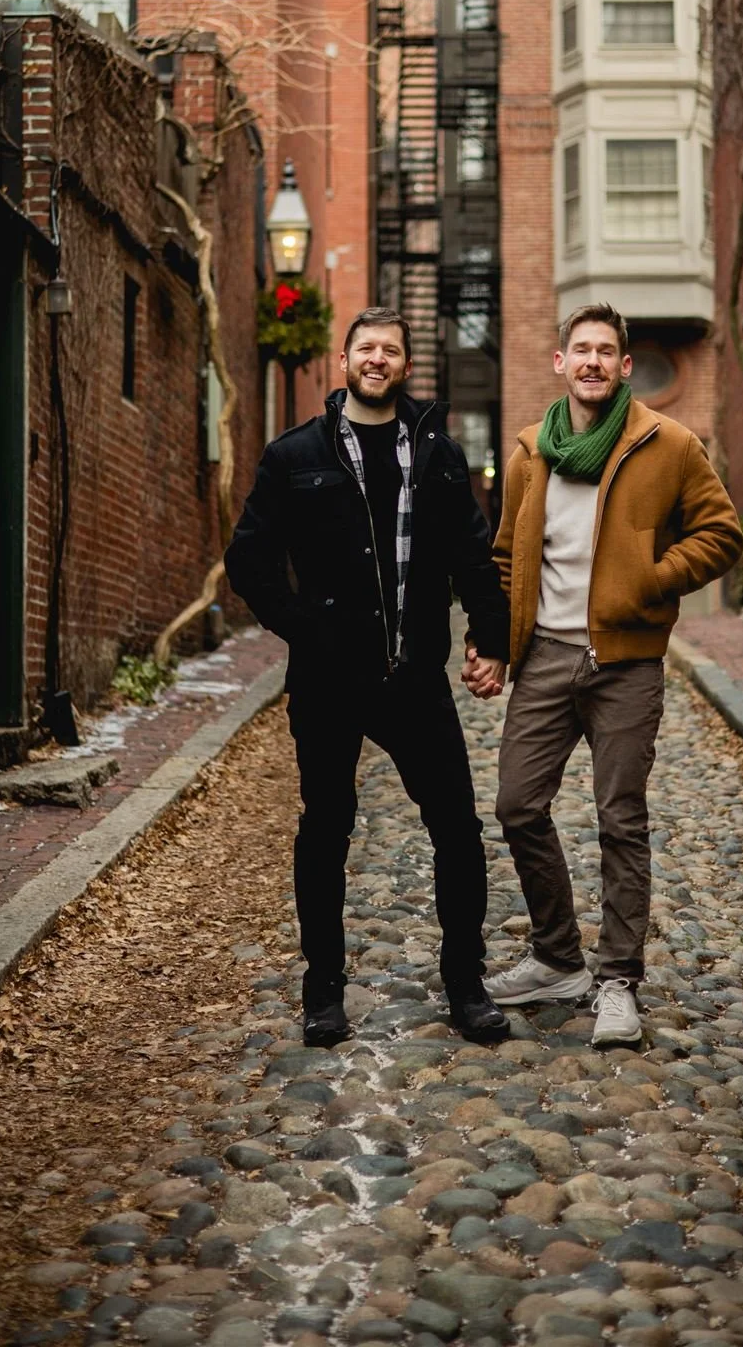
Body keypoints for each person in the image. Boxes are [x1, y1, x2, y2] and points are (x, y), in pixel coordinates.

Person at [225, 306, 511, 1047]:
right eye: (365, 348)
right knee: (325, 829)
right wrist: (303, 626)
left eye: (390, 349)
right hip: (326, 683)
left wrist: (490, 637)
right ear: (344, 360)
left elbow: (472, 556)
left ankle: (465, 983)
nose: (376, 359)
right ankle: (322, 991)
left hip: (414, 677)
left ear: (404, 365)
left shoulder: (438, 454)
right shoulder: (295, 456)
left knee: (456, 828)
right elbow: (248, 561)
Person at [465, 302, 742, 1048]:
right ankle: (557, 958)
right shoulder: (529, 455)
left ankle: (617, 978)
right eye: (578, 350)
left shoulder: (668, 443)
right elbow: (503, 560)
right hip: (545, 659)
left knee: (621, 819)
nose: (590, 361)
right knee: (518, 805)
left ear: (623, 367)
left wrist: (650, 581)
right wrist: (492, 643)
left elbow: (722, 534)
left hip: (625, 660)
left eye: (604, 352)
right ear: (559, 364)